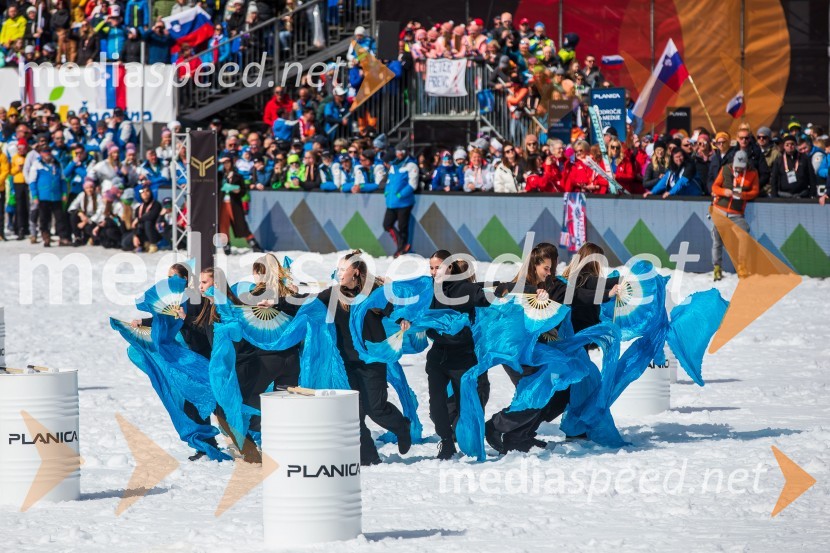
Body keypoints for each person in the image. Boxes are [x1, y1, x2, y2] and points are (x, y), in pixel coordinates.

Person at [316, 251, 412, 466]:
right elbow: (305, 306)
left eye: (343, 269)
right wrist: (278, 302)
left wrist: (403, 319)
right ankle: (368, 457)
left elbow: (395, 309)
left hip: (371, 361)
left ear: (356, 272)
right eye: (338, 269)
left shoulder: (373, 294)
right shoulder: (332, 295)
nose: (339, 273)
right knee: (353, 414)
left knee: (375, 409)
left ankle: (401, 426)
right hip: (345, 364)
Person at [425, 250, 493, 460]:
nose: (434, 272)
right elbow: (408, 304)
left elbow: (491, 296)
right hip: (438, 356)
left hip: (463, 358)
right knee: (436, 406)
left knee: (468, 405)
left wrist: (524, 290)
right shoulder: (428, 289)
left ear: (450, 267)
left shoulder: (463, 289)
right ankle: (446, 441)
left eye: (438, 267)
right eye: (431, 268)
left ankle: (468, 439)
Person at [710, 150, 760, 280]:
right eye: (737, 166)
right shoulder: (725, 169)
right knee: (717, 240)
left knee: (744, 237)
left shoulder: (752, 173)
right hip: (720, 210)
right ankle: (717, 268)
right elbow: (714, 187)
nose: (738, 169)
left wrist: (743, 195)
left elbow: (755, 191)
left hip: (737, 213)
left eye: (741, 167)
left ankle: (742, 266)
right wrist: (723, 191)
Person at [28, 145, 71, 247]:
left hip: (56, 196)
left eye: (48, 151)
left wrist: (64, 193)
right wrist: (35, 196)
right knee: (44, 218)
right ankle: (46, 236)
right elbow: (32, 181)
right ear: (41, 153)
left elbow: (63, 180)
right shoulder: (37, 164)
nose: (47, 154)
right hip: (43, 196)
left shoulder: (57, 164)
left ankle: (63, 237)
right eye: (44, 152)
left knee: (60, 217)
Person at [218, 156, 262, 253]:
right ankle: (226, 246)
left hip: (234, 204)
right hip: (222, 204)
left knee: (241, 224)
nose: (226, 164)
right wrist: (219, 161)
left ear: (231, 163)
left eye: (228, 162)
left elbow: (243, 190)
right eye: (224, 162)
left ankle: (253, 243)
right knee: (222, 225)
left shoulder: (238, 176)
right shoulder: (219, 176)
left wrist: (236, 190)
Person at [382, 149, 417, 257]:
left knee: (403, 227)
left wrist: (400, 195)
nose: (386, 164)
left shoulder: (410, 165)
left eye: (387, 162)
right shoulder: (393, 168)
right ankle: (403, 246)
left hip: (404, 203)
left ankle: (401, 250)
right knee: (387, 225)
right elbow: (388, 183)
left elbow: (412, 184)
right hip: (391, 203)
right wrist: (387, 193)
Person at [67, 178, 104, 246]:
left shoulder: (98, 196)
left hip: (94, 220)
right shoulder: (81, 195)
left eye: (91, 187)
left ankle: (92, 238)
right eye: (87, 188)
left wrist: (86, 221)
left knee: (88, 229)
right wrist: (80, 213)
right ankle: (77, 237)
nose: (89, 190)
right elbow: (72, 207)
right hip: (84, 217)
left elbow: (100, 211)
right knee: (73, 216)